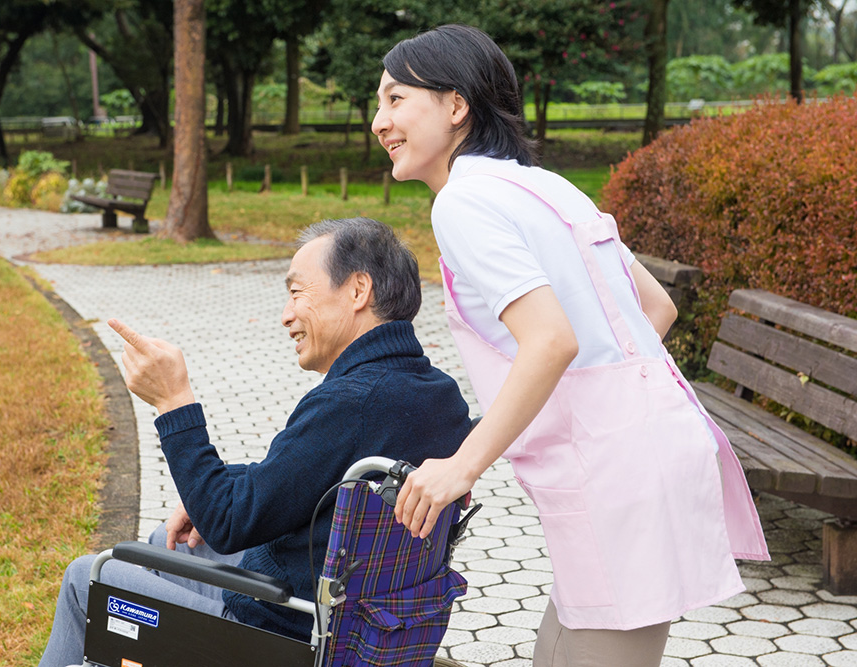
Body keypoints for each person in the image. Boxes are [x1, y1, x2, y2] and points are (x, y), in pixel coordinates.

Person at [370, 24, 769, 667]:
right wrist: (581, 408)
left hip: (617, 476)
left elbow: (550, 341)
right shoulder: (544, 185)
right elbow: (654, 308)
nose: (378, 122)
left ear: (454, 105)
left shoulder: (464, 202)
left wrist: (462, 466)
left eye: (395, 99)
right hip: (645, 450)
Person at [38, 217, 471, 666]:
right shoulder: (441, 396)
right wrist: (209, 496)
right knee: (162, 542)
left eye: (297, 292)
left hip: (278, 636)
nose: (286, 314)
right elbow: (300, 482)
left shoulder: (348, 403)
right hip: (365, 628)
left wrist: (173, 401)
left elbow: (228, 520)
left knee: (87, 578)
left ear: (358, 291)